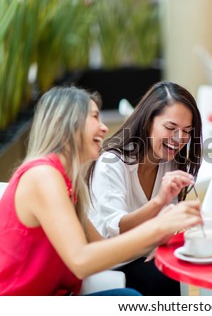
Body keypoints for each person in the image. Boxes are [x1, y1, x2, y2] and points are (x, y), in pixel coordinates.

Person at [0, 86, 201, 296]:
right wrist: (158, 226)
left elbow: (103, 248)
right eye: (95, 117)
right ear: (63, 123)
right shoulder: (43, 175)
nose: (104, 128)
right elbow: (81, 260)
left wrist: (158, 242)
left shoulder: (67, 184)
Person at [87, 81, 203, 295]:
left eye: (187, 131)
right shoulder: (112, 163)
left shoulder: (169, 161)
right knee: (161, 276)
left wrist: (166, 234)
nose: (179, 139)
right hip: (113, 262)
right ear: (149, 121)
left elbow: (166, 223)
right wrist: (159, 202)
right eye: (170, 128)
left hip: (145, 252)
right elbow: (117, 228)